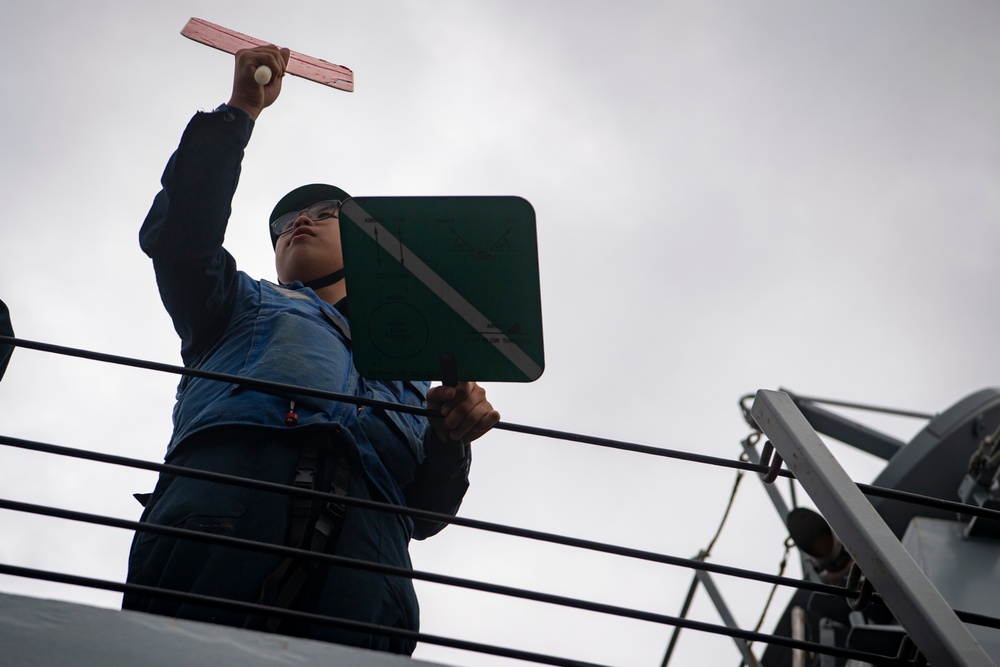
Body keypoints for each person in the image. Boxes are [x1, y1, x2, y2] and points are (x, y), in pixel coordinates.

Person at [123, 45, 500, 655]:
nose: (300, 221)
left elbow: (426, 513)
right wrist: (240, 111)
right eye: (284, 223)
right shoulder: (234, 303)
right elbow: (179, 236)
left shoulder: (412, 369)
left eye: (327, 214)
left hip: (366, 573)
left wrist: (450, 442)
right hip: (222, 523)